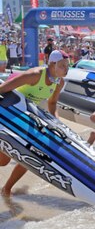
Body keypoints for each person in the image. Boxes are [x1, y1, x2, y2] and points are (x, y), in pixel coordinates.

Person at [0, 50, 69, 196]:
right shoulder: (34, 75)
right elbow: (3, 89)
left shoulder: (59, 82)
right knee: (3, 161)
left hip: (28, 117)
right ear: (52, 64)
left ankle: (6, 189)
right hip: (10, 114)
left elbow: (52, 103)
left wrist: (57, 122)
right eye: (62, 66)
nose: (66, 69)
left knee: (32, 155)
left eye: (67, 66)